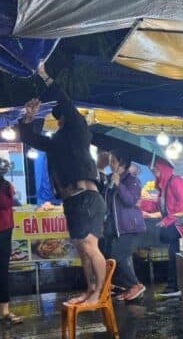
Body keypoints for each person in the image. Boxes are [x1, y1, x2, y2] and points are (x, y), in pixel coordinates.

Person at [20, 61, 107, 306]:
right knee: (81, 247)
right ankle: (90, 290)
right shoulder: (57, 141)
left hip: (87, 197)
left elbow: (65, 100)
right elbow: (27, 137)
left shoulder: (79, 129)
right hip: (72, 200)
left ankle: (99, 294)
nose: (57, 119)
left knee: (90, 245)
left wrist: (45, 75)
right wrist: (29, 116)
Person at [142, 157, 183, 297]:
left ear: (163, 168)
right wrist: (140, 204)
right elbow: (158, 206)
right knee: (173, 255)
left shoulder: (176, 181)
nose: (153, 171)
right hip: (178, 227)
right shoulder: (162, 186)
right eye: (152, 169)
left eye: (155, 168)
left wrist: (167, 220)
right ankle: (174, 288)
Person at [104, 152, 146, 301]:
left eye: (113, 161)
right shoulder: (109, 178)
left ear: (123, 164)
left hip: (128, 226)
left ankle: (135, 285)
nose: (111, 164)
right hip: (113, 226)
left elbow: (130, 200)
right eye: (110, 161)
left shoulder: (132, 180)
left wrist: (119, 185)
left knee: (118, 256)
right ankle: (125, 286)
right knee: (112, 255)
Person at [0, 156, 21, 325]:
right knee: (2, 271)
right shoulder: (6, 186)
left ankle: (5, 311)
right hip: (3, 230)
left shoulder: (7, 186)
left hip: (5, 230)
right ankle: (5, 311)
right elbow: (7, 204)